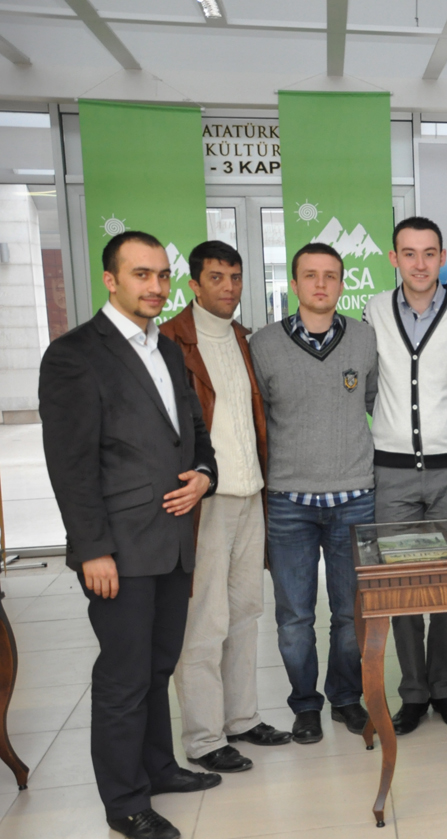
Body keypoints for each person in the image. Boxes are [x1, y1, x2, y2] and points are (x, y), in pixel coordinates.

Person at [40, 231, 219, 839]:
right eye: (141, 274)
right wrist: (92, 548)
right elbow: (70, 465)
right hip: (118, 548)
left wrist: (205, 474)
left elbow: (195, 432)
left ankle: (159, 768)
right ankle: (124, 801)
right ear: (110, 280)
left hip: (173, 540)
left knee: (158, 666)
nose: (156, 286)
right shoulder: (74, 355)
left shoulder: (166, 348)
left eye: (162, 275)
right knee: (123, 676)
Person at [159, 240, 288, 773]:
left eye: (235, 277)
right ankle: (204, 738)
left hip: (250, 493)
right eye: (216, 277)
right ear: (193, 284)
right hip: (204, 503)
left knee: (246, 614)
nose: (229, 287)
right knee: (204, 622)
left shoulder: (241, 337)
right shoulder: (170, 341)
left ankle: (241, 718)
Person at [250, 242, 378, 744]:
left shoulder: (364, 338)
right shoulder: (263, 345)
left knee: (350, 614)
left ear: (343, 283)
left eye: (330, 275)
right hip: (289, 504)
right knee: (294, 619)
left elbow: (375, 401)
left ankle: (345, 698)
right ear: (294, 283)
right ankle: (305, 705)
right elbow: (259, 419)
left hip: (354, 499)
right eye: (310, 275)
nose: (321, 284)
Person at [364, 217, 447, 735]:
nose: (419, 263)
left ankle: (446, 689)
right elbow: (370, 383)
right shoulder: (374, 310)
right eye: (409, 253)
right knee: (402, 583)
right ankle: (413, 692)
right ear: (394, 258)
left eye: (429, 253)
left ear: (442, 257)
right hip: (391, 470)